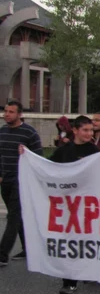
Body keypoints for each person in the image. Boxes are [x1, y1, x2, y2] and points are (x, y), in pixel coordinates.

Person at [48, 115, 100, 294]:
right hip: (67, 205)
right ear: (75, 131)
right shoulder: (64, 150)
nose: (89, 133)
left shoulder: (95, 152)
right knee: (69, 241)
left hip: (87, 205)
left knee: (87, 240)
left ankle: (89, 270)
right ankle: (69, 281)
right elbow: (47, 166)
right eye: (85, 130)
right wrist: (27, 156)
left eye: (91, 130)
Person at [0, 101, 43, 266]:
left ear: (19, 114)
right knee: (17, 216)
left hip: (22, 181)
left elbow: (38, 157)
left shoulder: (29, 133)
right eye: (6, 111)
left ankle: (2, 254)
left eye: (11, 112)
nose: (7, 114)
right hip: (6, 180)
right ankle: (28, 248)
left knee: (13, 217)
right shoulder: (2, 131)